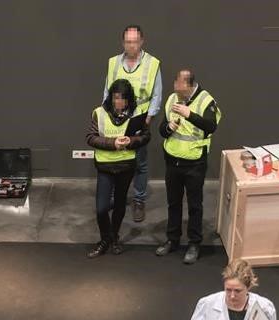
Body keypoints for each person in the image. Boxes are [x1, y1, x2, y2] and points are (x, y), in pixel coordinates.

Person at [155, 69, 221, 265]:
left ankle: (194, 243)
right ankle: (172, 239)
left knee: (194, 205)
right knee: (173, 203)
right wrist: (168, 128)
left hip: (194, 162)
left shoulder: (205, 100)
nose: (175, 86)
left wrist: (189, 114)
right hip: (172, 160)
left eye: (178, 83)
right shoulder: (172, 99)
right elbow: (161, 129)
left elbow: (211, 126)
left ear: (189, 85)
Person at [85, 79, 151, 258]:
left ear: (129, 99)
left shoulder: (137, 114)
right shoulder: (99, 113)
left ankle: (113, 237)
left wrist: (131, 141)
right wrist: (113, 143)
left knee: (120, 204)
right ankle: (104, 239)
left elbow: (146, 136)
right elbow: (90, 137)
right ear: (111, 98)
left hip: (126, 166)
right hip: (105, 166)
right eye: (116, 98)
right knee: (101, 208)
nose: (119, 102)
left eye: (123, 99)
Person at [103, 25, 162, 223]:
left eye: (135, 41)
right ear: (123, 43)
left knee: (139, 163)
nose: (131, 46)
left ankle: (138, 200)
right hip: (115, 119)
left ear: (142, 41)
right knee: (113, 158)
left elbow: (157, 95)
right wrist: (106, 116)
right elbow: (106, 91)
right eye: (128, 42)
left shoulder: (152, 63)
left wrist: (148, 119)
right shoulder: (113, 63)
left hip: (139, 119)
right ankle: (113, 196)